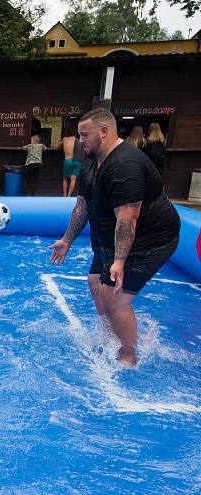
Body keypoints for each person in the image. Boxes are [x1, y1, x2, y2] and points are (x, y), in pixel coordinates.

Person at [48, 108, 180, 368]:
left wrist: (119, 260)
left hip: (149, 239)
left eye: (85, 135)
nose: (81, 140)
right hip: (112, 235)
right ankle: (111, 336)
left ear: (104, 132)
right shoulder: (91, 160)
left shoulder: (126, 166)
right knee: (96, 282)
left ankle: (128, 354)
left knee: (115, 297)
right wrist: (67, 240)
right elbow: (83, 206)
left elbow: (128, 219)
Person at [59, 125, 81, 197]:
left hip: (67, 160)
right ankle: (69, 195)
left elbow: (58, 147)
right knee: (73, 179)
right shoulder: (78, 140)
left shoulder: (65, 139)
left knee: (65, 178)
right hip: (77, 160)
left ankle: (64, 196)